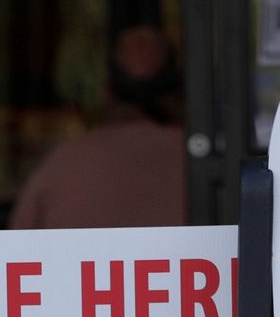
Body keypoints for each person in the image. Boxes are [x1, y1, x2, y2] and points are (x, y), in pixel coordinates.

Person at [10, 26, 185, 229]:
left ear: (106, 92)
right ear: (178, 92)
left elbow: (19, 239)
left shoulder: (65, 163)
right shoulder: (200, 161)